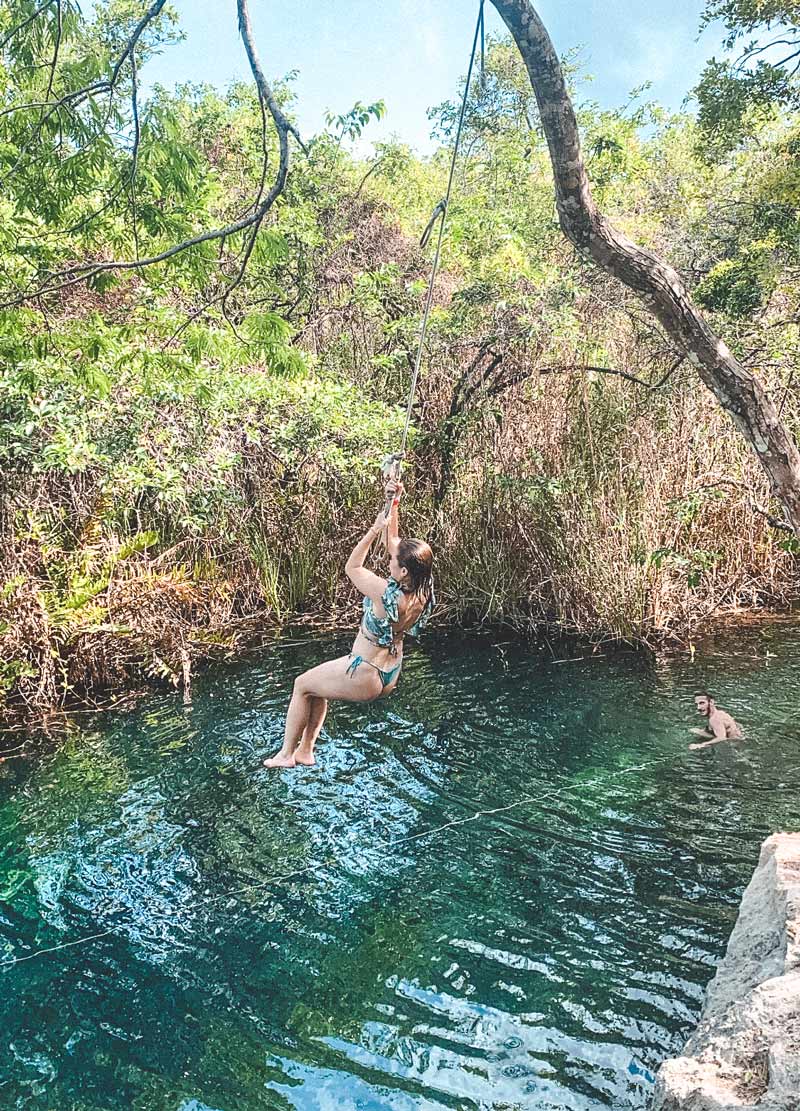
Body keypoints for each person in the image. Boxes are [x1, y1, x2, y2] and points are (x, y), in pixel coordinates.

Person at [263, 481, 434, 769]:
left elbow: (352, 567)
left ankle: (285, 755)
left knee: (301, 684)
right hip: (390, 674)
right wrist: (393, 503)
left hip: (365, 672)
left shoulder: (384, 592)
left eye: (392, 562)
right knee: (316, 687)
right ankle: (305, 751)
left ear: (403, 570)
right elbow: (396, 545)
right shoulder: (423, 588)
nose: (388, 559)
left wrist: (373, 529)